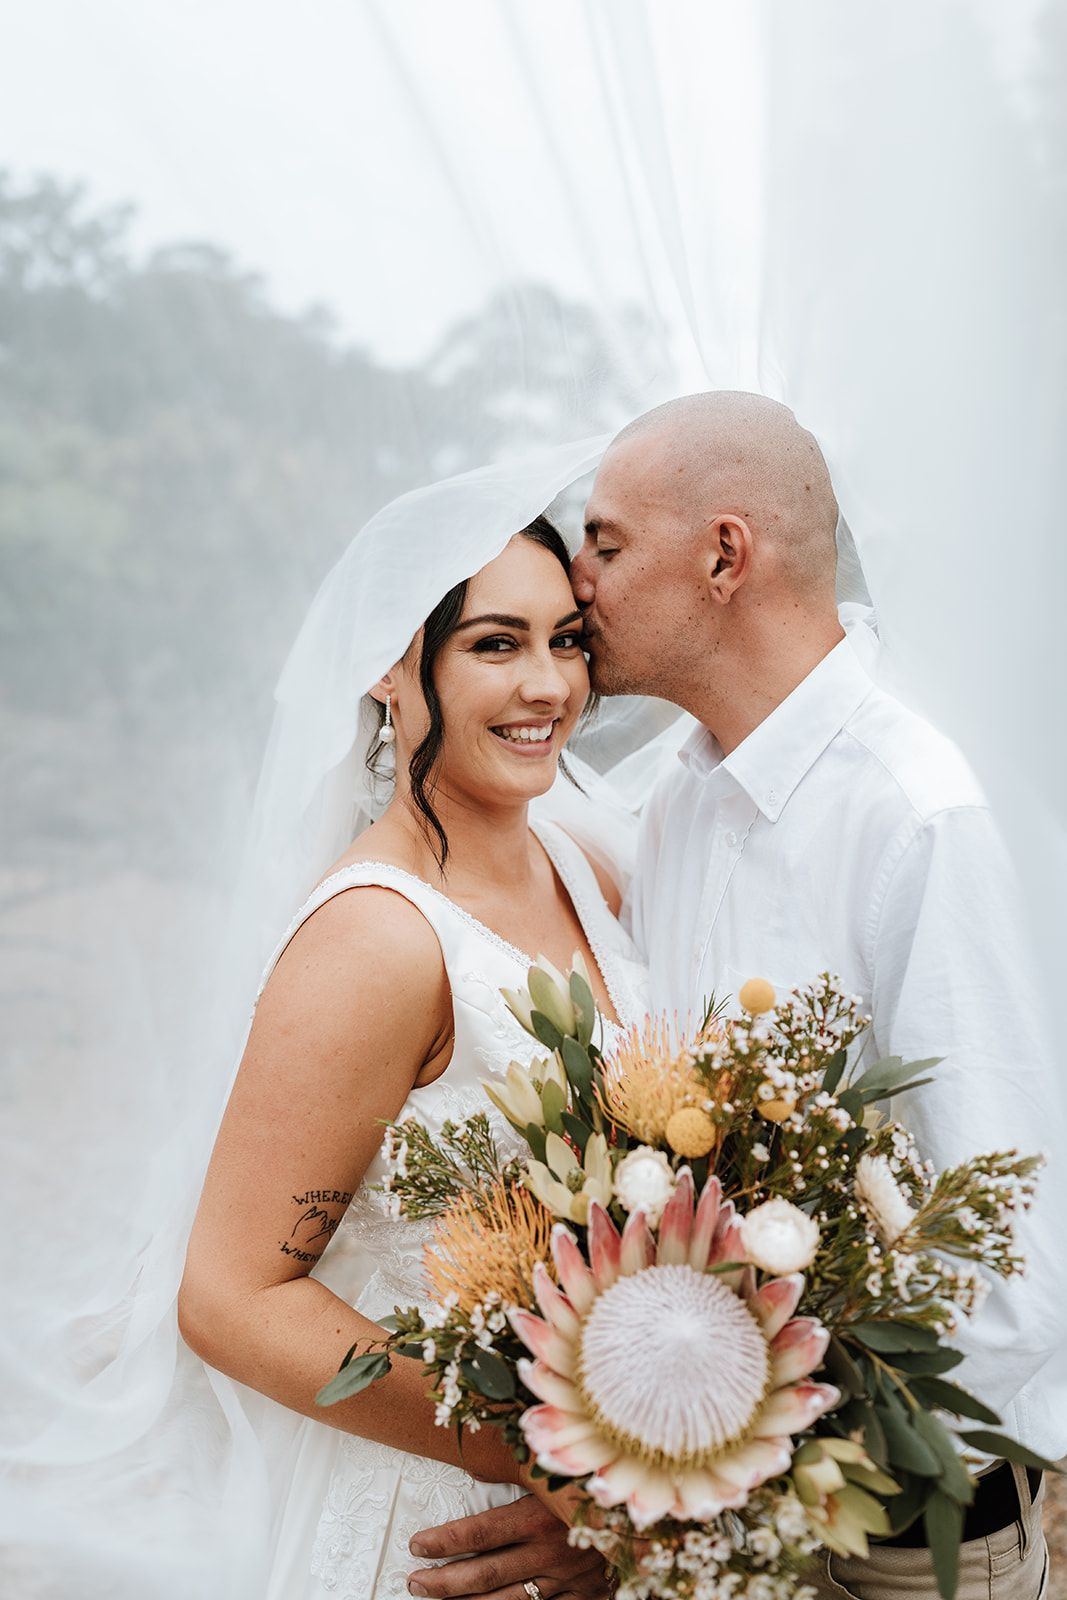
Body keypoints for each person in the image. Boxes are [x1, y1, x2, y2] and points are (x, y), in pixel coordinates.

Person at [566, 390, 1064, 1599]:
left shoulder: (909, 814)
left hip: (907, 1530)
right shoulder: (676, 803)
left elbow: (1015, 1267)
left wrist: (729, 1465)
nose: (574, 579)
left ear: (724, 554)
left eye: (607, 542)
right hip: (708, 1520)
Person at [177, 517, 645, 1599]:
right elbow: (230, 1296)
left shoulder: (583, 867)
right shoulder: (376, 939)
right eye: (494, 644)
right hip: (440, 1522)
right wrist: (551, 1460)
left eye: (566, 640)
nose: (545, 686)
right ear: (392, 666)